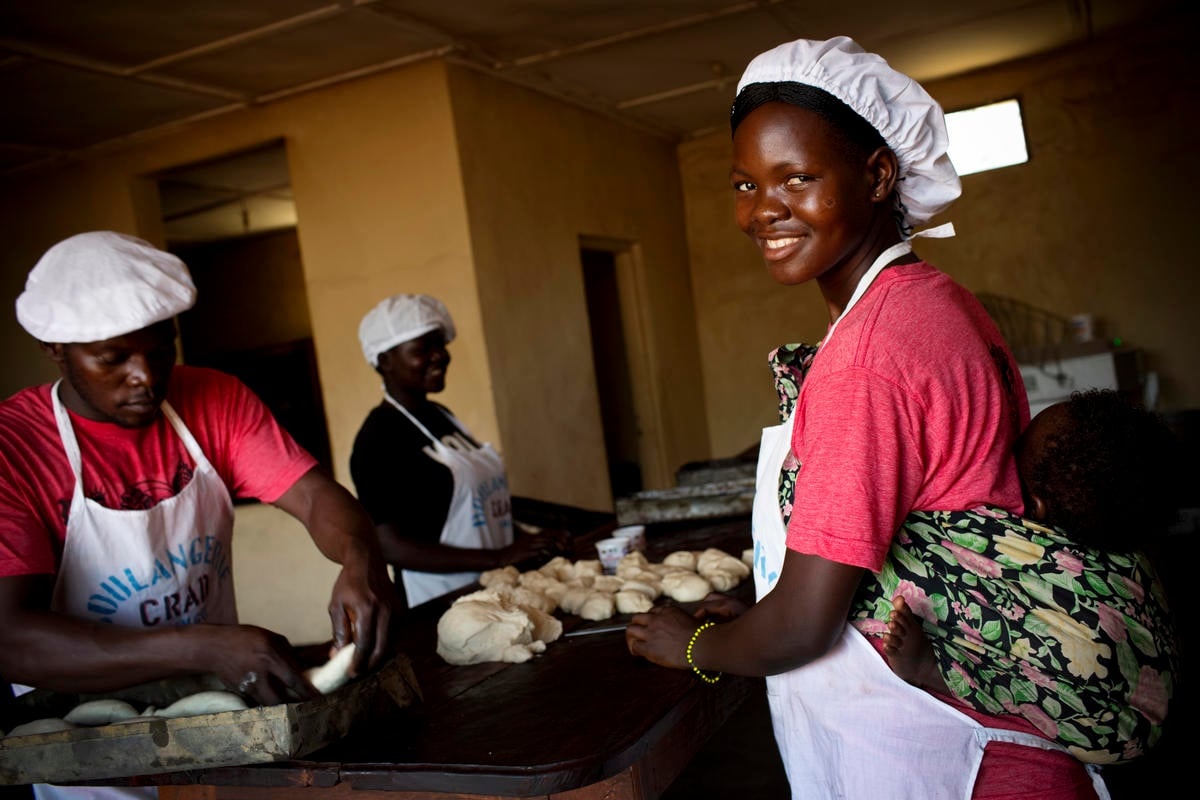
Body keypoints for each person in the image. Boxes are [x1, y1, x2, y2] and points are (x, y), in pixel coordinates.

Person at [624, 36, 1106, 799]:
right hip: (997, 734)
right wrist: (763, 599)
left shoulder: (869, 354)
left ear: (879, 174)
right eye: (744, 184)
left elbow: (804, 627)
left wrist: (697, 645)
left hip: (953, 757)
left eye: (798, 177)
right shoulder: (932, 301)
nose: (763, 211)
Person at [0, 231, 397, 799]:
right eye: (113, 357)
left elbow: (312, 497)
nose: (145, 375)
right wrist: (205, 644)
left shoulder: (214, 399)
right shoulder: (13, 448)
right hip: (88, 745)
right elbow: (11, 638)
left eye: (161, 350)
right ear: (54, 347)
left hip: (225, 719)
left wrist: (361, 557)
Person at [878, 389, 1181, 763]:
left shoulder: (1024, 547)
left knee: (1024, 686)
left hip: (1118, 716)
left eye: (1015, 454)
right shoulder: (1121, 532)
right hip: (1155, 689)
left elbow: (1025, 682)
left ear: (1036, 508)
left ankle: (931, 671)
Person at [350, 293, 566, 611]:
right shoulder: (379, 439)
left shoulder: (442, 416)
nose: (439, 356)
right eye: (422, 349)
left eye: (440, 345)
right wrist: (500, 556)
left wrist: (529, 542)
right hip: (443, 602)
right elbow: (389, 545)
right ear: (385, 361)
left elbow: (480, 508)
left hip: (497, 585)